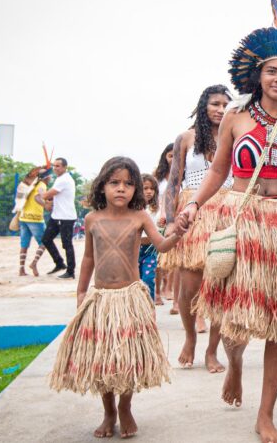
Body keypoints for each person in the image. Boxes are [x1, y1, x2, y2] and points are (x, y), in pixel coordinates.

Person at [177, 0, 277, 441]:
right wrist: (193, 206)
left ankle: (266, 413)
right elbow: (217, 170)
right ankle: (233, 364)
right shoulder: (235, 117)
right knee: (237, 316)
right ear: (257, 74)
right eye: (272, 70)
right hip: (243, 219)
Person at [49, 156, 180, 439]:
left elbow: (162, 245)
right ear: (102, 186)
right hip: (101, 302)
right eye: (114, 182)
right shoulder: (92, 219)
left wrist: (178, 232)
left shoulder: (140, 218)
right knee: (103, 360)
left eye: (128, 184)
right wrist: (81, 291)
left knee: (127, 360)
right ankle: (108, 412)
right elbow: (87, 259)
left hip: (129, 300)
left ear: (135, 190)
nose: (121, 188)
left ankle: (125, 407)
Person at [163, 84, 233, 372]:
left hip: (227, 212)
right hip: (192, 212)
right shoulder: (186, 138)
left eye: (225, 105)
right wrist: (169, 221)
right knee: (189, 286)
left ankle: (213, 350)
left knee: (220, 284)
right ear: (204, 105)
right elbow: (173, 182)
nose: (219, 109)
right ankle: (191, 337)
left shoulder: (236, 136)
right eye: (215, 103)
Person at [39, 157, 77, 279]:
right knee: (46, 239)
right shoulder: (59, 179)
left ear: (65, 167)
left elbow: (46, 195)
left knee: (67, 244)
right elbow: (53, 197)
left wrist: (41, 188)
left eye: (58, 166)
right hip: (57, 216)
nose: (55, 168)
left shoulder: (64, 179)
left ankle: (70, 271)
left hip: (66, 217)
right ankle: (59, 263)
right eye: (54, 166)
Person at [14, 167, 50, 276]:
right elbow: (38, 198)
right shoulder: (42, 185)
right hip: (35, 218)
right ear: (46, 177)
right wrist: (46, 205)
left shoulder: (29, 186)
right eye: (49, 175)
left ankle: (21, 269)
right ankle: (34, 263)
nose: (50, 177)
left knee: (24, 244)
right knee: (45, 242)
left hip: (23, 217)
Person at [153, 143, 174, 306]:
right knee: (159, 259)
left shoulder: (185, 174)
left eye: (176, 155)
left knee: (174, 259)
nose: (173, 158)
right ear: (165, 157)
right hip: (158, 218)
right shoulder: (157, 176)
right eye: (170, 155)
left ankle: (169, 287)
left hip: (176, 216)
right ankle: (157, 291)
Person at [139, 173, 161, 301]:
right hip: (134, 250)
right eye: (145, 188)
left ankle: (150, 310)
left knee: (148, 279)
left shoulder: (156, 209)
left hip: (150, 250)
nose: (149, 192)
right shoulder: (133, 209)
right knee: (135, 282)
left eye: (152, 189)